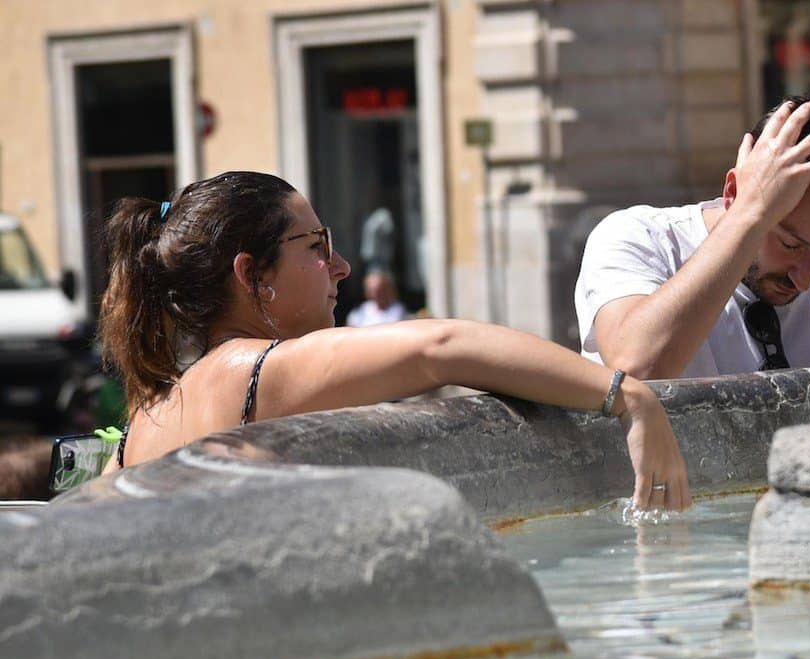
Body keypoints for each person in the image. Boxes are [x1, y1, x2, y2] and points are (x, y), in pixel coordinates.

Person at [98, 171, 689, 510]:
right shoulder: (251, 373)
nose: (343, 266)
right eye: (317, 247)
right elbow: (441, 347)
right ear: (252, 275)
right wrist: (629, 397)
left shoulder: (148, 411)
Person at [574, 88, 810, 379]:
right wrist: (749, 216)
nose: (805, 279)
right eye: (791, 243)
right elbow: (637, 369)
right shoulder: (639, 238)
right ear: (733, 193)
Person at [347, 269, 411, 327]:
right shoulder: (360, 311)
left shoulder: (398, 310)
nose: (377, 294)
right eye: (372, 290)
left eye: (381, 290)